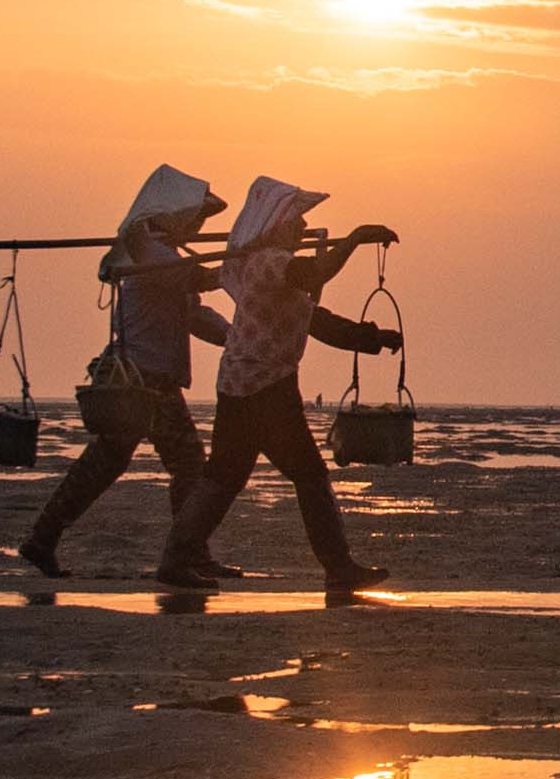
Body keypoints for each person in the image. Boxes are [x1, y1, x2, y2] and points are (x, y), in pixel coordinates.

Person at [157, 178, 401, 591]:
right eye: (296, 222)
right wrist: (357, 237)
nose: (302, 230)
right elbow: (318, 271)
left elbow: (317, 322)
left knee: (224, 477)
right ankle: (338, 567)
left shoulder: (270, 267)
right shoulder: (270, 261)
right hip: (265, 384)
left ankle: (176, 558)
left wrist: (371, 339)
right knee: (308, 473)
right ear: (276, 225)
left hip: (239, 382)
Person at [19, 164, 233, 578]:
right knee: (187, 465)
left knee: (106, 463)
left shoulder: (158, 254)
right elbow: (200, 279)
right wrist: (248, 259)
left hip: (146, 377)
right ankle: (186, 554)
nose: (197, 225)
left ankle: (43, 538)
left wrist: (234, 335)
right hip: (144, 381)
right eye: (196, 218)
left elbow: (192, 313)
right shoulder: (149, 251)